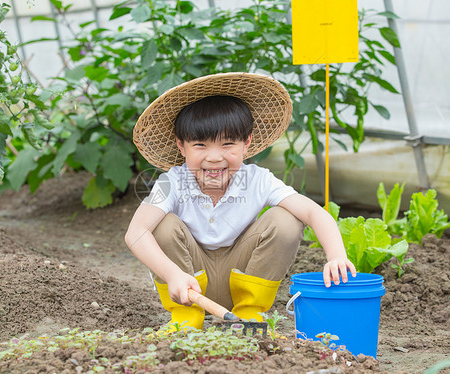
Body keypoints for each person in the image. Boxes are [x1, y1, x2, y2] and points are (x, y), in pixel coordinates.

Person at [125, 73, 356, 331]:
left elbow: (313, 213)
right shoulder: (172, 182)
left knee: (286, 220)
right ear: (182, 146)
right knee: (160, 224)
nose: (214, 158)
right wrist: (172, 274)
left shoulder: (257, 180)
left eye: (227, 144)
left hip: (243, 273)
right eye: (200, 145)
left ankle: (249, 316)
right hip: (187, 282)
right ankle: (185, 320)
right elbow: (136, 233)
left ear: (246, 144)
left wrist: (336, 255)